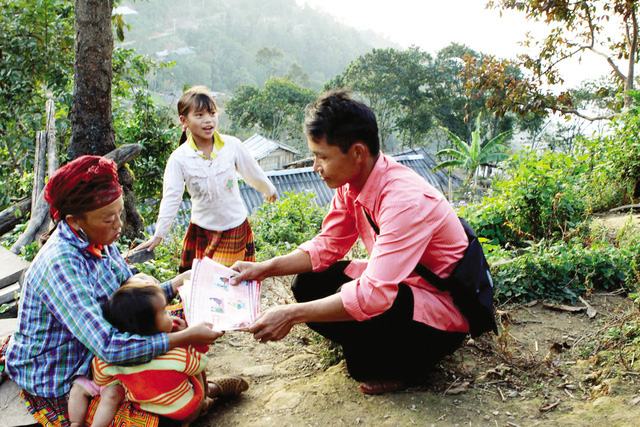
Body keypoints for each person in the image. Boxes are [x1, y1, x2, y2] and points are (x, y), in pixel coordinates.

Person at [231, 89, 470, 395]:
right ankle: (372, 347)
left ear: (357, 153)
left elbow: (373, 295)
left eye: (322, 156)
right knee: (306, 284)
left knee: (361, 365)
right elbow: (329, 244)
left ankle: (409, 364)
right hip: (402, 287)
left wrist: (291, 315)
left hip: (438, 309)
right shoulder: (353, 183)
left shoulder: (404, 201)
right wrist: (263, 268)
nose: (316, 166)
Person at [4, 155, 242, 426]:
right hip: (67, 373)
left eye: (119, 213)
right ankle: (202, 396)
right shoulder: (60, 265)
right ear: (73, 221)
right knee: (157, 414)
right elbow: (109, 347)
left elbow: (129, 299)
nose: (118, 224)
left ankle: (195, 394)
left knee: (180, 319)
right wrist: (182, 337)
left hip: (100, 343)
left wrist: (179, 284)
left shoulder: (99, 240)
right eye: (108, 218)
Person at [135, 85, 277, 270]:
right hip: (201, 231)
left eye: (212, 113)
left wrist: (269, 189)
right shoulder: (179, 158)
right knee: (198, 284)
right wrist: (159, 234)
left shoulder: (231, 145)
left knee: (222, 280)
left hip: (234, 227)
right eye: (199, 115)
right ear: (183, 120)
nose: (208, 120)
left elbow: (251, 171)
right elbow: (172, 197)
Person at [91, 282, 248, 426]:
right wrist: (188, 339)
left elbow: (100, 377)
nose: (170, 313)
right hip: (186, 411)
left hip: (150, 412)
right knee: (196, 370)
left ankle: (209, 393)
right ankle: (206, 397)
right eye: (166, 311)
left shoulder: (109, 360)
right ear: (148, 326)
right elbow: (200, 362)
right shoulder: (176, 355)